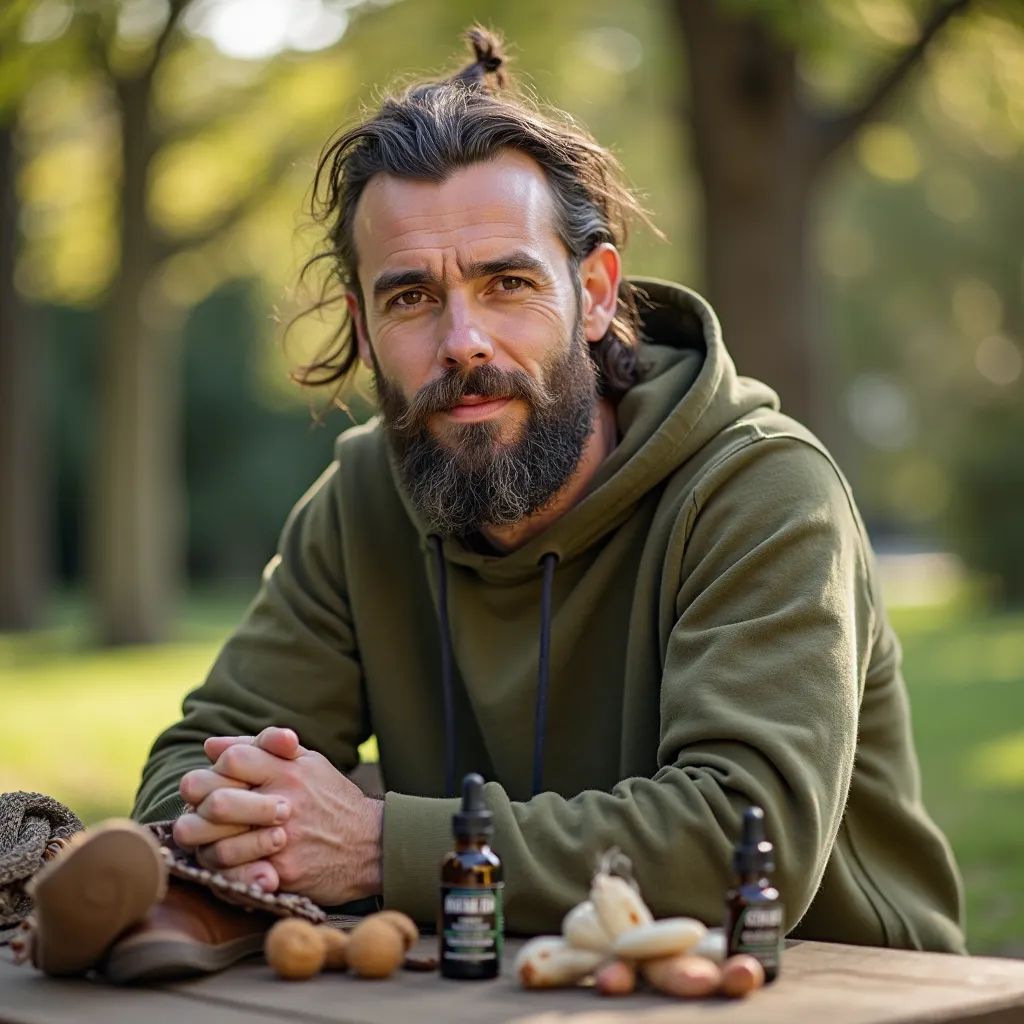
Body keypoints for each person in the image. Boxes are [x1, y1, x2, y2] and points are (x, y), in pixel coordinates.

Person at [26, 27, 965, 981]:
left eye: (507, 283)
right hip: (513, 984)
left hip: (830, 988)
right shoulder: (363, 501)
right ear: (363, 325)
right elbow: (199, 757)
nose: (462, 340)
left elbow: (740, 837)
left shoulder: (763, 491)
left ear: (594, 293)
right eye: (410, 298)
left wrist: (373, 843)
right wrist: (247, 818)